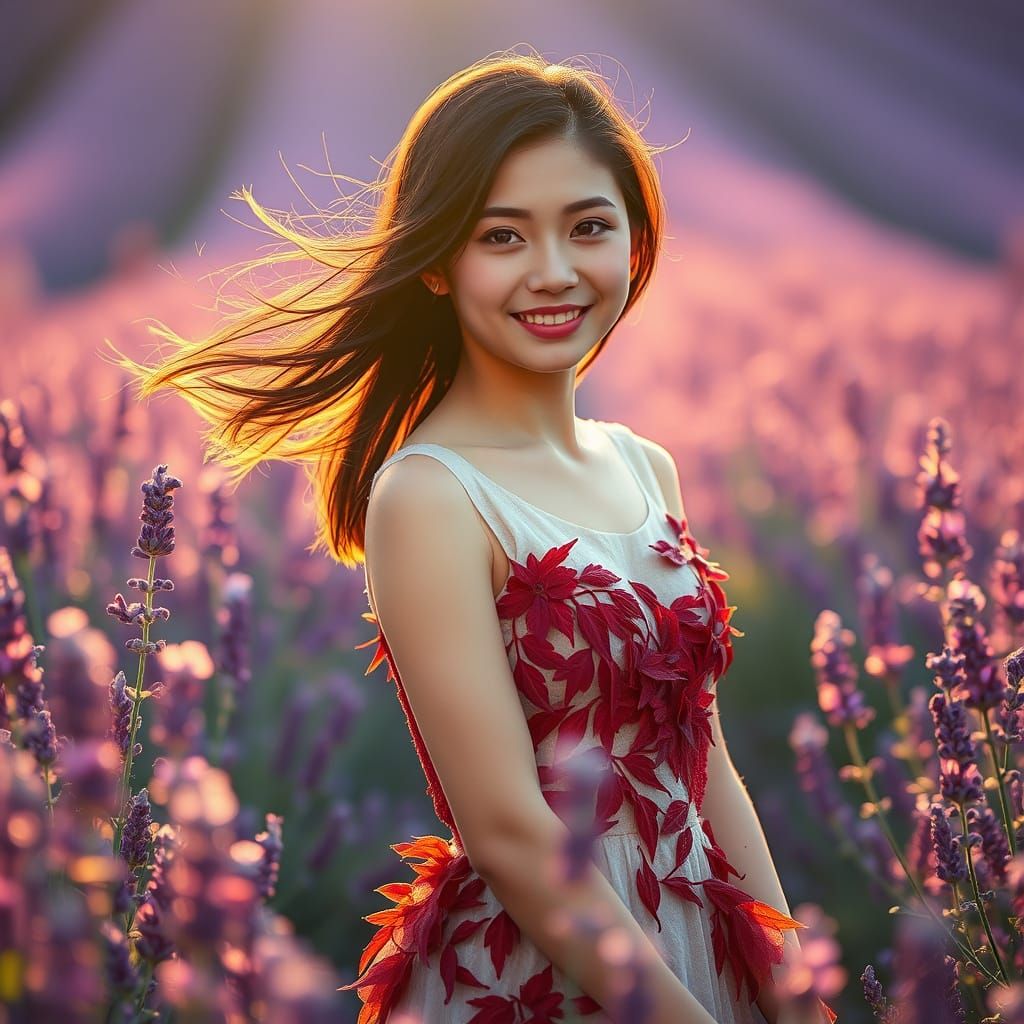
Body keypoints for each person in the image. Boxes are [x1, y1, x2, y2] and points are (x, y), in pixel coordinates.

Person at [111, 47, 836, 1024]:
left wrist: (791, 991)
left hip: (702, 935)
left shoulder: (644, 465)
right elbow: (504, 829)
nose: (553, 271)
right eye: (502, 236)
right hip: (551, 966)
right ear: (440, 264)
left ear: (634, 242)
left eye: (587, 226)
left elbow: (702, 758)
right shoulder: (428, 495)